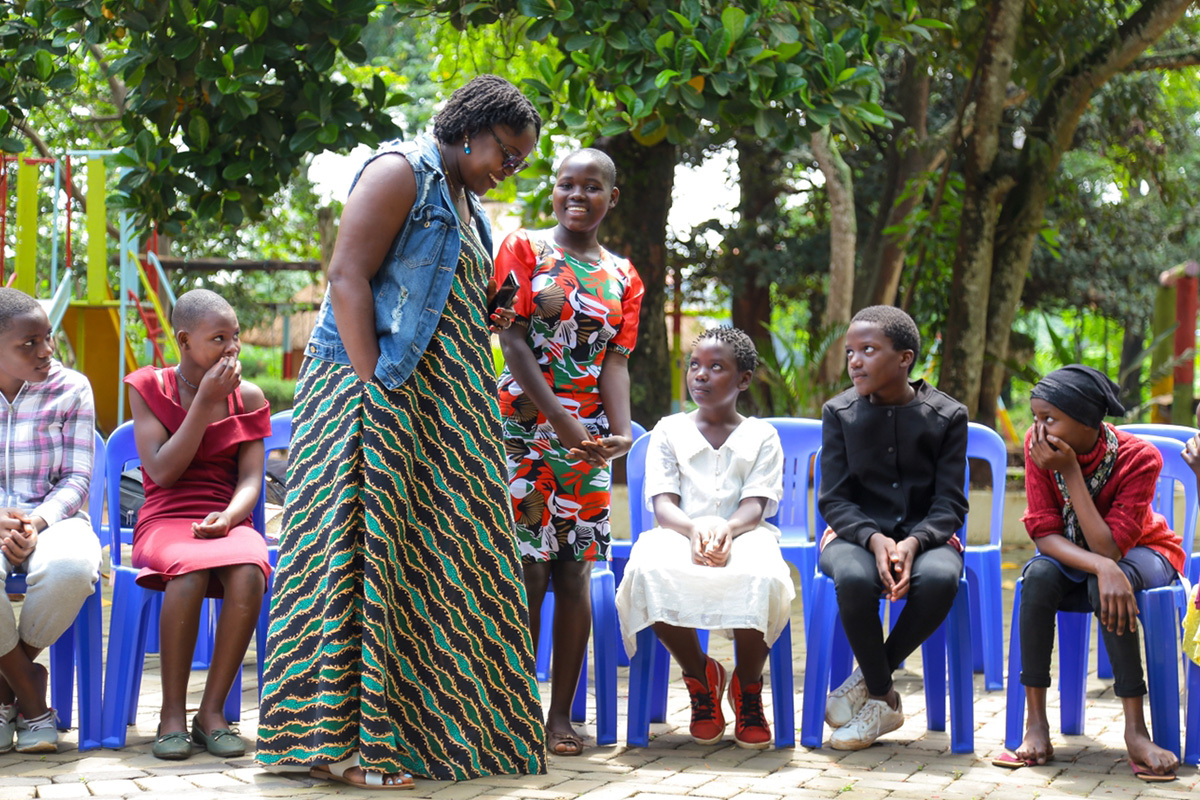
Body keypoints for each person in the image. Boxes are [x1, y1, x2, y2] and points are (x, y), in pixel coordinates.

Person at [257, 74, 546, 788]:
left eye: (518, 162)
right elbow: (348, 277)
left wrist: (491, 312)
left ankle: (428, 733)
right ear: (472, 129)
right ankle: (336, 745)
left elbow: (429, 294)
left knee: (443, 558)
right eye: (505, 155)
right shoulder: (399, 172)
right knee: (359, 557)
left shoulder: (464, 202)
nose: (507, 171)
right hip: (371, 395)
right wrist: (373, 387)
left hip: (438, 406)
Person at [495, 147, 643, 756]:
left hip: (586, 441)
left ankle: (560, 716)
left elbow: (615, 360)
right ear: (552, 192)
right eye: (566, 185)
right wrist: (561, 420)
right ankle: (515, 709)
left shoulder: (624, 276)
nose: (577, 195)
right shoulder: (523, 248)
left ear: (612, 198)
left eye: (592, 187)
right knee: (526, 568)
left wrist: (622, 433)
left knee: (575, 571)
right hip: (524, 426)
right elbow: (510, 336)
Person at [615, 327, 793, 749]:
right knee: (647, 571)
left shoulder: (762, 436)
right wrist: (695, 529)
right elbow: (663, 505)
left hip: (745, 532)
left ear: (743, 380)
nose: (701, 375)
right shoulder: (667, 430)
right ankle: (700, 674)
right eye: (695, 365)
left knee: (764, 576)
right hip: (678, 531)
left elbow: (756, 504)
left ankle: (748, 686)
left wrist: (727, 530)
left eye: (716, 367)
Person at [1001, 365, 1182, 780]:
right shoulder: (1037, 446)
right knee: (1037, 579)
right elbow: (1045, 534)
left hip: (1145, 551)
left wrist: (1069, 472)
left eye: (1050, 418)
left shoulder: (1140, 458)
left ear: (1088, 423)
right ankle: (1036, 724)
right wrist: (1103, 567)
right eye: (1035, 417)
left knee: (1109, 587)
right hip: (1081, 555)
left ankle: (1136, 731)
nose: (1039, 428)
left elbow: (1111, 546)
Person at [125, 289, 271, 760]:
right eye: (219, 339)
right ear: (184, 341)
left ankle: (211, 714)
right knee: (187, 573)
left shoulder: (248, 397)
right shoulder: (148, 387)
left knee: (249, 570)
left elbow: (251, 479)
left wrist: (230, 516)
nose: (232, 349)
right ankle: (171, 714)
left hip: (225, 515)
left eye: (236, 339)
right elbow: (162, 471)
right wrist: (206, 403)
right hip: (166, 516)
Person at [817, 305, 968, 751]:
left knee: (942, 578)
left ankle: (869, 680)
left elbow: (950, 502)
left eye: (868, 350)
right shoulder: (838, 413)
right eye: (850, 352)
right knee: (854, 577)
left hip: (929, 536)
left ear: (905, 358)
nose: (855, 361)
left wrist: (915, 542)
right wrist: (876, 539)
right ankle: (885, 696)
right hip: (852, 536)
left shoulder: (948, 416)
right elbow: (834, 499)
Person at [0, 289, 99, 755]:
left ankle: (5, 693)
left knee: (72, 571)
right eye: (28, 343)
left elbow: (78, 477)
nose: (45, 351)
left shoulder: (72, 387)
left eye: (48, 338)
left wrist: (35, 523)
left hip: (56, 518)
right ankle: (33, 698)